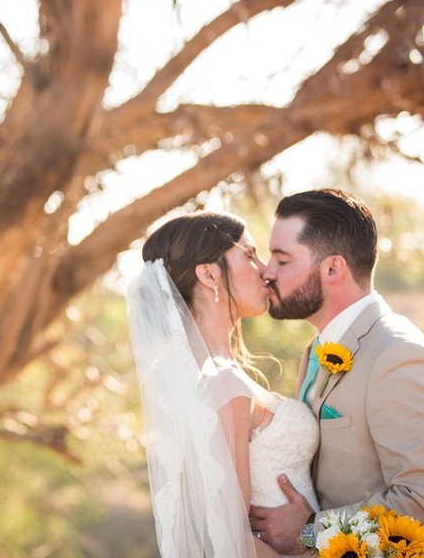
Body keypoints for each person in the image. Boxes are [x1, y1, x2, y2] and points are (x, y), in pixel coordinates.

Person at [249, 188, 424, 557]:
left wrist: (308, 530)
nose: (267, 273)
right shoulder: (315, 351)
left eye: (282, 260)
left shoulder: (398, 355)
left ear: (333, 268)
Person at [127, 211, 319, 557]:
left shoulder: (218, 374)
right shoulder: (224, 384)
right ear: (209, 273)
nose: (264, 269)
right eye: (249, 255)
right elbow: (232, 541)